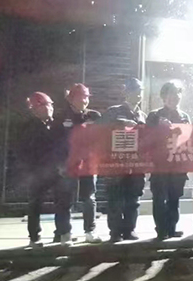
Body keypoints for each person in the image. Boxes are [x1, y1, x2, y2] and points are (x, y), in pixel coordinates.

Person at [19, 92, 72, 246]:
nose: (49, 108)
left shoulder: (58, 125)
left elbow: (64, 146)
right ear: (34, 109)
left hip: (57, 170)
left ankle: (63, 233)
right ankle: (34, 237)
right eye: (44, 105)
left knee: (63, 202)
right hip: (37, 171)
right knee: (35, 203)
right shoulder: (28, 128)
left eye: (50, 105)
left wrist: (64, 164)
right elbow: (23, 150)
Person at [55, 83, 101, 243]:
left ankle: (90, 231)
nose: (84, 100)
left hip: (88, 164)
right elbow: (55, 143)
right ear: (71, 99)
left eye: (86, 97)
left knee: (89, 198)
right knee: (65, 199)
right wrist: (59, 163)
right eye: (81, 97)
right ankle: (64, 233)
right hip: (68, 163)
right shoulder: (61, 117)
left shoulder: (94, 116)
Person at [146, 81, 191, 240]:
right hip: (159, 165)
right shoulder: (154, 115)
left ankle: (172, 228)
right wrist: (158, 125)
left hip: (178, 165)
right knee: (159, 198)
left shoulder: (185, 117)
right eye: (170, 94)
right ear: (164, 97)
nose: (174, 97)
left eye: (177, 93)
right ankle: (161, 230)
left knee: (174, 198)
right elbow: (146, 136)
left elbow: (190, 139)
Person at [104, 77, 147, 242]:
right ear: (126, 92)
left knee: (133, 199)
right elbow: (99, 130)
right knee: (115, 199)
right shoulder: (114, 111)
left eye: (140, 91)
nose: (138, 94)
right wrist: (120, 123)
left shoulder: (142, 115)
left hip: (135, 164)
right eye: (135, 91)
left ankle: (130, 229)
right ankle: (115, 232)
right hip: (116, 163)